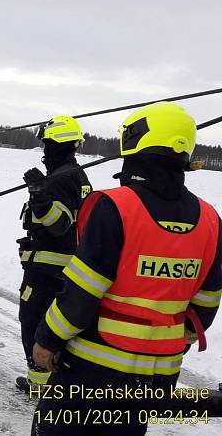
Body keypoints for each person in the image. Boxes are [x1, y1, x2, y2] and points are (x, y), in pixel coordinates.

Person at [31, 102, 222, 435]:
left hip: (89, 375)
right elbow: (205, 309)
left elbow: (80, 296)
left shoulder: (116, 207)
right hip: (154, 381)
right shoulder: (210, 220)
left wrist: (47, 340)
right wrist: (162, 343)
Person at [16, 116, 92, 391]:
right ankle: (49, 383)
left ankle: (41, 385)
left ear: (55, 144)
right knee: (55, 326)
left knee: (33, 321)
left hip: (47, 271)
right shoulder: (75, 175)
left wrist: (39, 196)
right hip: (64, 268)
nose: (44, 150)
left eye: (46, 143)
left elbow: (59, 224)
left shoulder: (61, 179)